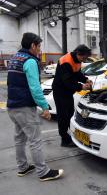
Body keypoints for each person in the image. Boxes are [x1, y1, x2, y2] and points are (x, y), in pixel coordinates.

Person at [7, 32, 64, 181]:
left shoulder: (14, 58)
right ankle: (43, 172)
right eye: (39, 46)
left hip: (12, 106)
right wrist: (45, 107)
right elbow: (35, 88)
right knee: (35, 140)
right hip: (25, 107)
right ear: (33, 45)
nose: (40, 49)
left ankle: (23, 167)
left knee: (19, 138)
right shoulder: (30, 61)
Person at [52, 44, 92, 147]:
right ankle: (64, 139)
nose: (83, 60)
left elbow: (77, 73)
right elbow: (68, 81)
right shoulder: (66, 61)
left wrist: (85, 79)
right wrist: (82, 87)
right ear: (78, 54)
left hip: (68, 92)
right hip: (60, 91)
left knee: (70, 113)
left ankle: (73, 135)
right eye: (83, 58)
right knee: (63, 115)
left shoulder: (77, 60)